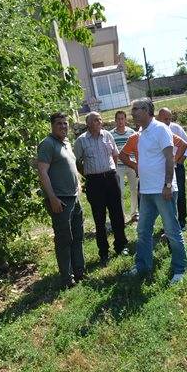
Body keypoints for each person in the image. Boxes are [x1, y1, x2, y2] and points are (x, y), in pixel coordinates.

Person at [126, 98, 187, 285]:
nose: (133, 113)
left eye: (136, 109)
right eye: (132, 109)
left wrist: (168, 184)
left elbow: (170, 158)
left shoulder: (160, 129)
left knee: (172, 231)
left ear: (146, 110)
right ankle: (143, 265)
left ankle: (180, 269)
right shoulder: (141, 132)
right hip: (146, 191)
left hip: (163, 190)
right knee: (143, 231)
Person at [36, 112, 85, 288]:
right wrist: (52, 198)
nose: (63, 126)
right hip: (60, 200)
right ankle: (67, 278)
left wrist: (78, 187)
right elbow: (42, 173)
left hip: (74, 198)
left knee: (78, 236)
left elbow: (71, 169)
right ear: (52, 125)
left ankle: (79, 271)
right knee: (64, 240)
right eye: (59, 123)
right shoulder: (47, 144)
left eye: (65, 123)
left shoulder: (66, 143)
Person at [74, 112, 129, 266]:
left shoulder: (107, 135)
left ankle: (121, 245)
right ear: (88, 123)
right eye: (96, 120)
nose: (99, 121)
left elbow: (114, 155)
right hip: (94, 182)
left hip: (111, 178)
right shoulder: (81, 141)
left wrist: (113, 172)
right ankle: (103, 251)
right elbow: (78, 162)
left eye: (100, 119)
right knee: (99, 218)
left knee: (117, 213)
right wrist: (87, 175)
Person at [156, 107, 187, 231]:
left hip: (177, 166)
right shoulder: (155, 130)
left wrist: (182, 159)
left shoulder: (176, 128)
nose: (168, 121)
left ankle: (182, 220)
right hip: (163, 168)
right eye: (165, 119)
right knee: (166, 195)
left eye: (169, 118)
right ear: (158, 118)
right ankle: (168, 221)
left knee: (180, 193)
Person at [109, 111, 139, 222]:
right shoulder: (111, 134)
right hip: (118, 166)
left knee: (134, 189)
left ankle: (134, 213)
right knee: (119, 191)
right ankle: (121, 215)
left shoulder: (132, 132)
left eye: (122, 119)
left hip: (131, 164)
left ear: (125, 120)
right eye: (118, 119)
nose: (120, 121)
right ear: (115, 120)